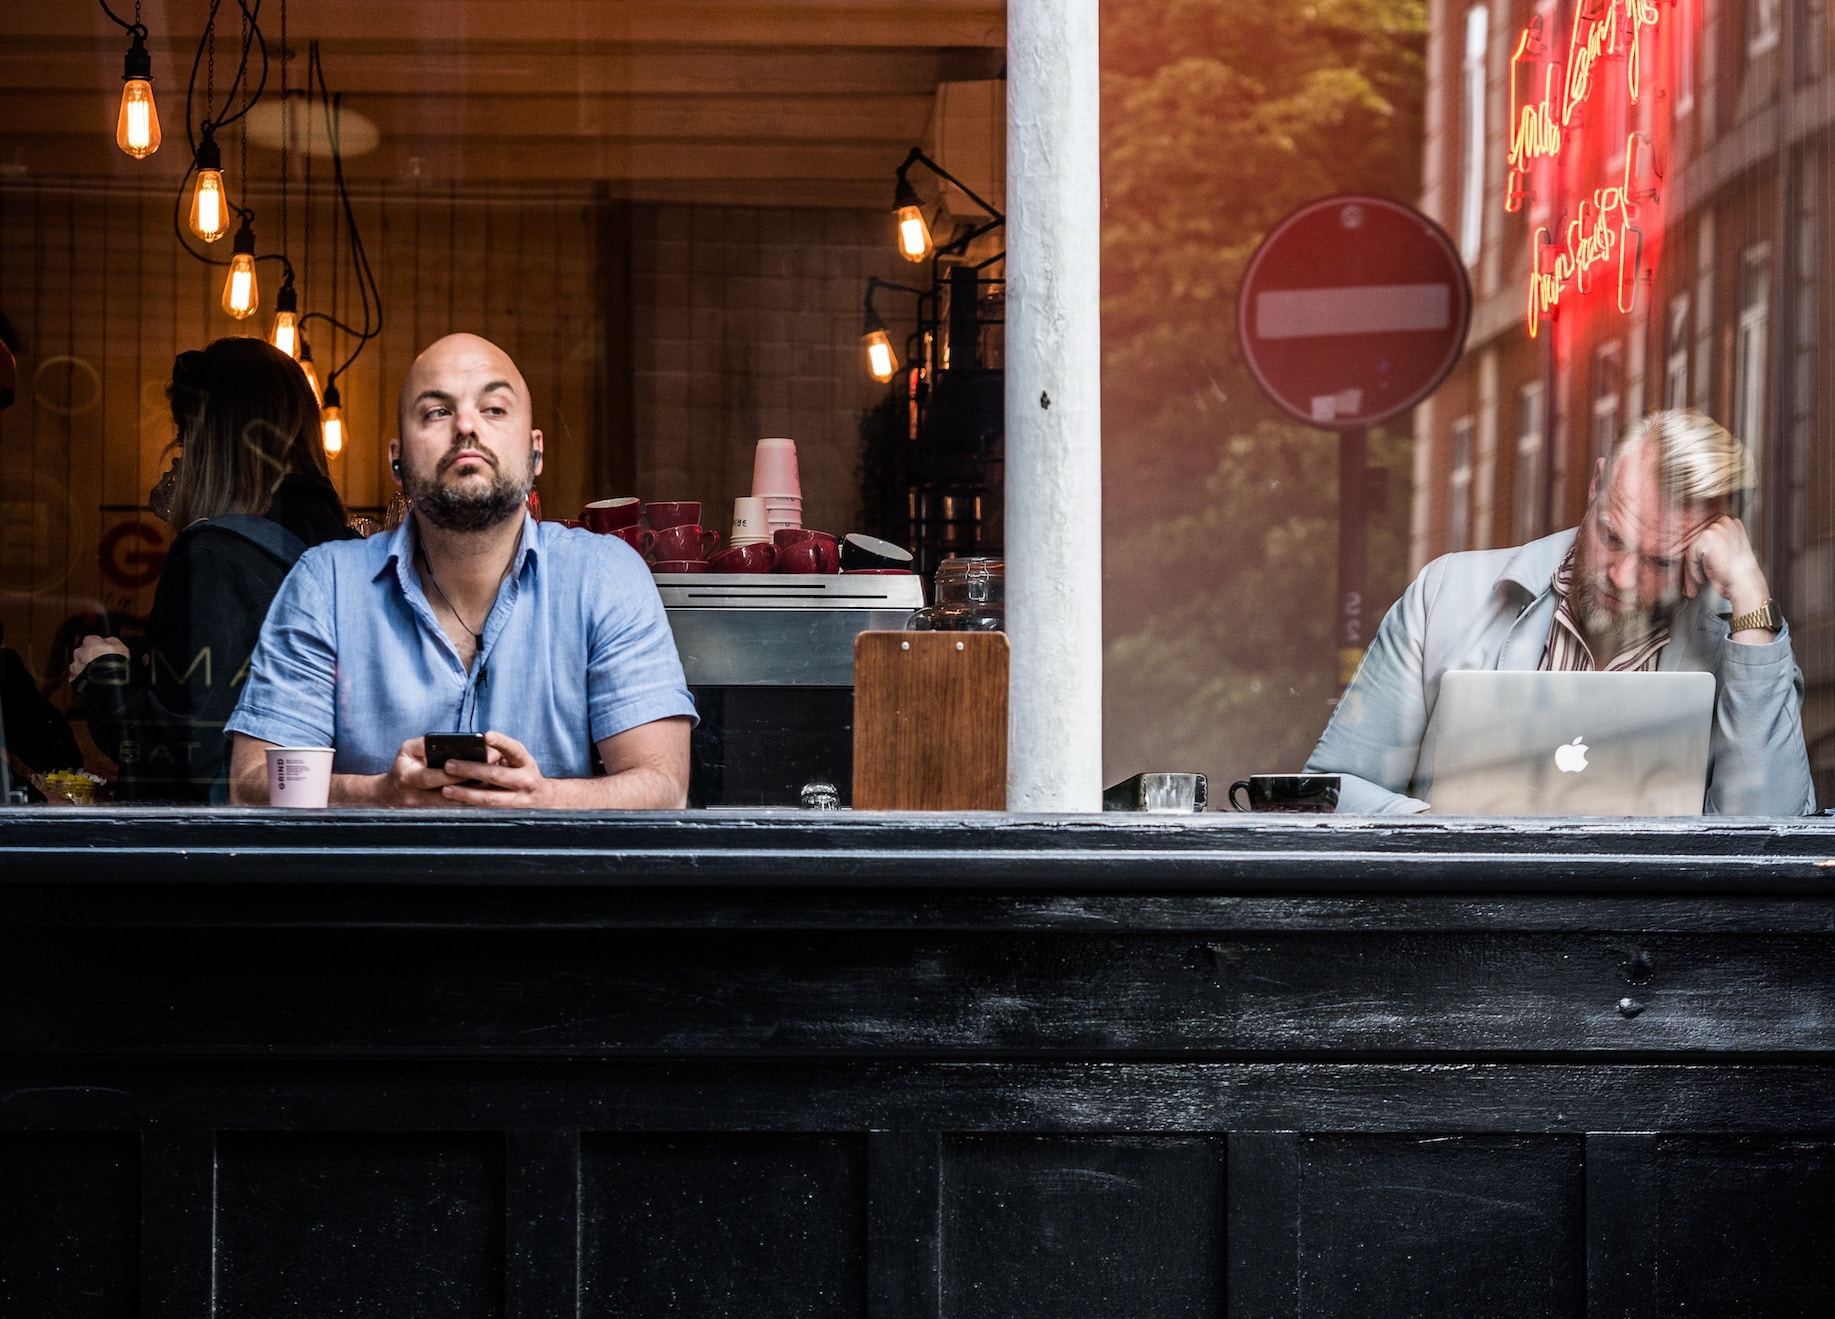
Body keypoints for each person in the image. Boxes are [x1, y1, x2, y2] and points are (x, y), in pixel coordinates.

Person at [225, 332, 696, 807]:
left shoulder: (604, 576)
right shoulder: (325, 584)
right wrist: (380, 794)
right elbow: (250, 785)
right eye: (437, 411)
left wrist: (541, 799)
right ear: (397, 460)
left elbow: (663, 787)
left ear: (535, 453)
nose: (466, 425)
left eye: (494, 409)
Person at [1305, 409, 1814, 815]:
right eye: (1612, 537)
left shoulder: (1744, 643)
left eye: (1660, 560)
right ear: (1596, 485)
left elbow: (1772, 840)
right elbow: (1332, 792)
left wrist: (1749, 597)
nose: (1622, 576)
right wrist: (1443, 837)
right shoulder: (1446, 595)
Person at [69, 338, 354, 802]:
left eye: (184, 436)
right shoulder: (352, 550)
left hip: (226, 856)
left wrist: (104, 680)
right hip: (332, 838)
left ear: (209, 442)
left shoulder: (214, 554)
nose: (179, 455)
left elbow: (187, 754)